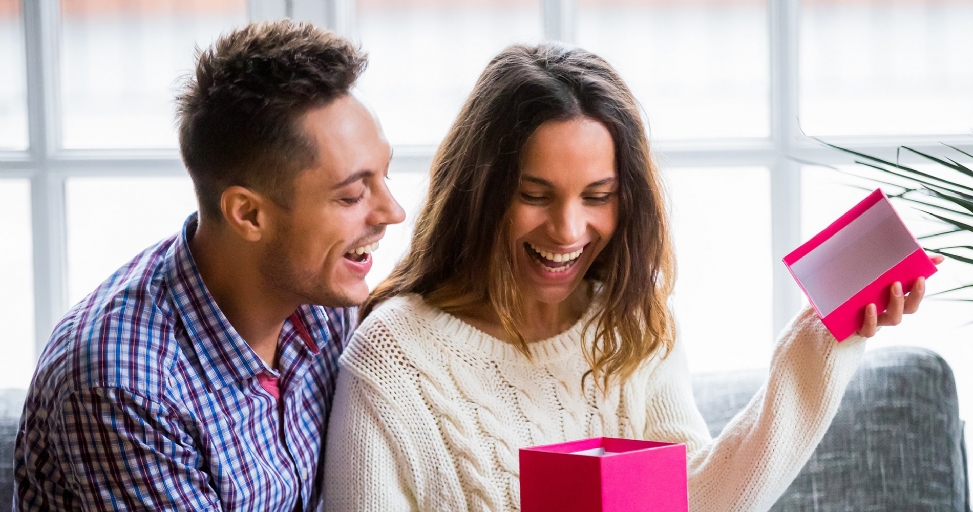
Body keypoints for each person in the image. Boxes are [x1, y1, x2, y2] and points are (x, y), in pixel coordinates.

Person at [323, 43, 940, 511]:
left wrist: (823, 340)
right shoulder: (394, 360)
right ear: (479, 194)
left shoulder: (633, 326)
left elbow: (697, 498)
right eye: (534, 194)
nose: (568, 231)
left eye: (598, 195)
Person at [14, 20, 404, 511]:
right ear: (248, 214)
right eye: (351, 195)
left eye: (386, 174)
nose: (392, 212)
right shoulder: (126, 384)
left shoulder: (325, 298)